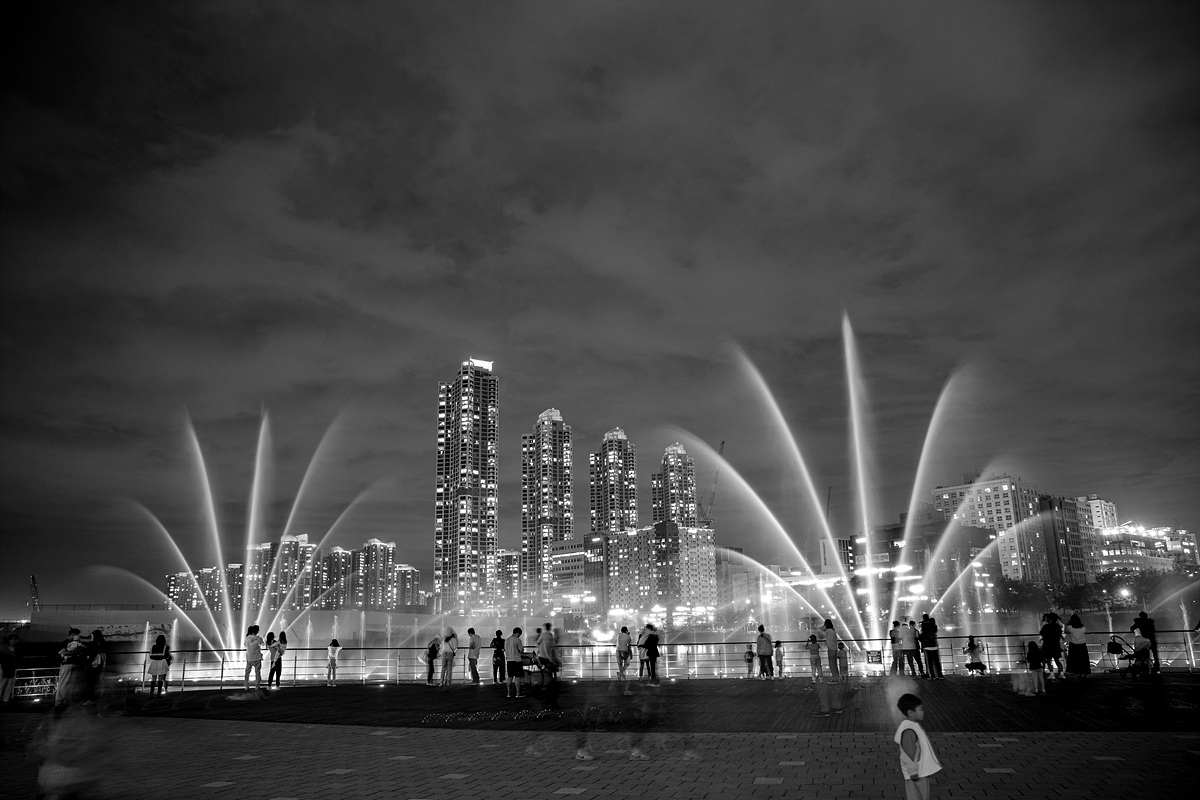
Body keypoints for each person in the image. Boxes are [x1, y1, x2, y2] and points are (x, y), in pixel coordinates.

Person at [895, 693, 942, 800]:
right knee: (917, 796)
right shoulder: (908, 730)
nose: (923, 712)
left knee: (920, 796)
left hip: (919, 771)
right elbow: (908, 752)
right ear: (910, 712)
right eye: (920, 709)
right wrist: (913, 771)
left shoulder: (912, 726)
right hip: (916, 773)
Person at [55, 629, 87, 708]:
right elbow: (65, 652)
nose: (77, 636)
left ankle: (64, 701)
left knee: (68, 684)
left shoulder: (69, 643)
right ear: (72, 634)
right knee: (65, 683)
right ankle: (60, 701)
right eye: (76, 634)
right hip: (68, 664)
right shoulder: (66, 643)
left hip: (71, 664)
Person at [83, 629, 107, 704]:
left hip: (93, 665)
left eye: (92, 636)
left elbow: (92, 654)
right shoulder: (102, 644)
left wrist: (88, 663)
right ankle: (96, 698)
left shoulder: (94, 644)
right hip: (99, 664)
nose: (91, 637)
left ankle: (91, 699)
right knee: (96, 681)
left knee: (90, 682)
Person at [1064, 614, 1090, 679]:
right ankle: (1083, 672)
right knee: (1083, 660)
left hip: (1073, 645)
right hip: (1082, 645)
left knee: (1074, 660)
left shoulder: (1069, 627)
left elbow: (1066, 632)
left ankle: (1075, 672)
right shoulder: (1083, 627)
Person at [1039, 613, 1064, 680]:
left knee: (1048, 660)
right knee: (1057, 660)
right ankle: (1062, 674)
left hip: (1048, 646)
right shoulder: (1058, 627)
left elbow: (1041, 633)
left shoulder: (1046, 627)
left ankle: (1052, 674)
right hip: (1056, 645)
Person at [919, 614, 943, 680]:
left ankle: (932, 676)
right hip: (934, 645)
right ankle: (940, 675)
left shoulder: (923, 627)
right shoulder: (933, 626)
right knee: (937, 662)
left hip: (927, 646)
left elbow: (921, 637)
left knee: (929, 663)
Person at [504, 627, 525, 698]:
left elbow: (505, 650)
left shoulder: (506, 640)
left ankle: (508, 693)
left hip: (509, 661)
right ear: (518, 633)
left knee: (509, 677)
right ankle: (518, 693)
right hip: (517, 660)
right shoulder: (517, 640)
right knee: (517, 677)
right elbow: (521, 650)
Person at [244, 625, 264, 691]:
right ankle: (257, 686)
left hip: (249, 657)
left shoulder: (247, 638)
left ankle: (246, 686)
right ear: (257, 631)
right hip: (257, 657)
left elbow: (245, 645)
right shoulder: (259, 639)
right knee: (257, 672)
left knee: (247, 673)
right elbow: (263, 644)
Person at [0, 633, 18, 706]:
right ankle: (5, 699)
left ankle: (5, 700)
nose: (15, 641)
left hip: (10, 667)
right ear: (9, 640)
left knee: (8, 684)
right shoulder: (4, 648)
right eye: (13, 640)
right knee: (3, 683)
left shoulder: (4, 648)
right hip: (5, 666)